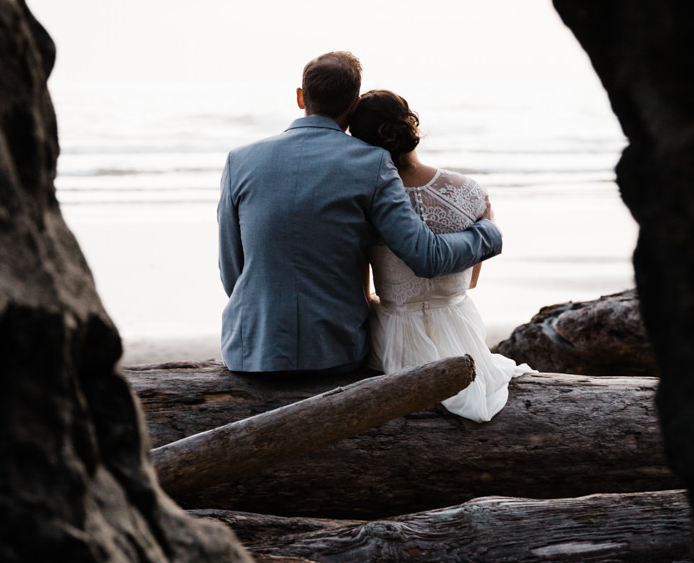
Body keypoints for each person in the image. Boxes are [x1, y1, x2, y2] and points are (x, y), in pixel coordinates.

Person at [218, 50, 502, 374]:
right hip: (335, 355)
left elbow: (232, 274)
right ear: (353, 105)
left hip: (249, 353)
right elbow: (425, 257)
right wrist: (487, 234)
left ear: (301, 97)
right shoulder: (372, 163)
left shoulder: (238, 161)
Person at [348, 88, 525, 422]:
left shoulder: (365, 202)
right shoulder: (470, 191)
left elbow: (361, 292)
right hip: (462, 332)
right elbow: (470, 283)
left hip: (394, 337)